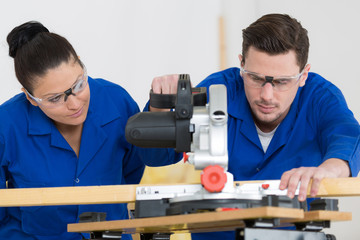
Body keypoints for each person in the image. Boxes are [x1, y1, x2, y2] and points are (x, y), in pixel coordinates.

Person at [151, 13, 360, 239]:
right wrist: (160, 108)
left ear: (303, 75)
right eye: (256, 78)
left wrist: (328, 169)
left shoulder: (319, 98)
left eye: (281, 82)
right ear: (241, 64)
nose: (266, 95)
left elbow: (348, 137)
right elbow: (155, 157)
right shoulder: (219, 90)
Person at [0, 21, 178, 240]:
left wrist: (158, 112)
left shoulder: (115, 101)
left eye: (78, 85)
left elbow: (141, 164)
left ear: (82, 66)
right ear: (30, 97)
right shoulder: (7, 124)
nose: (74, 104)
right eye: (55, 98)